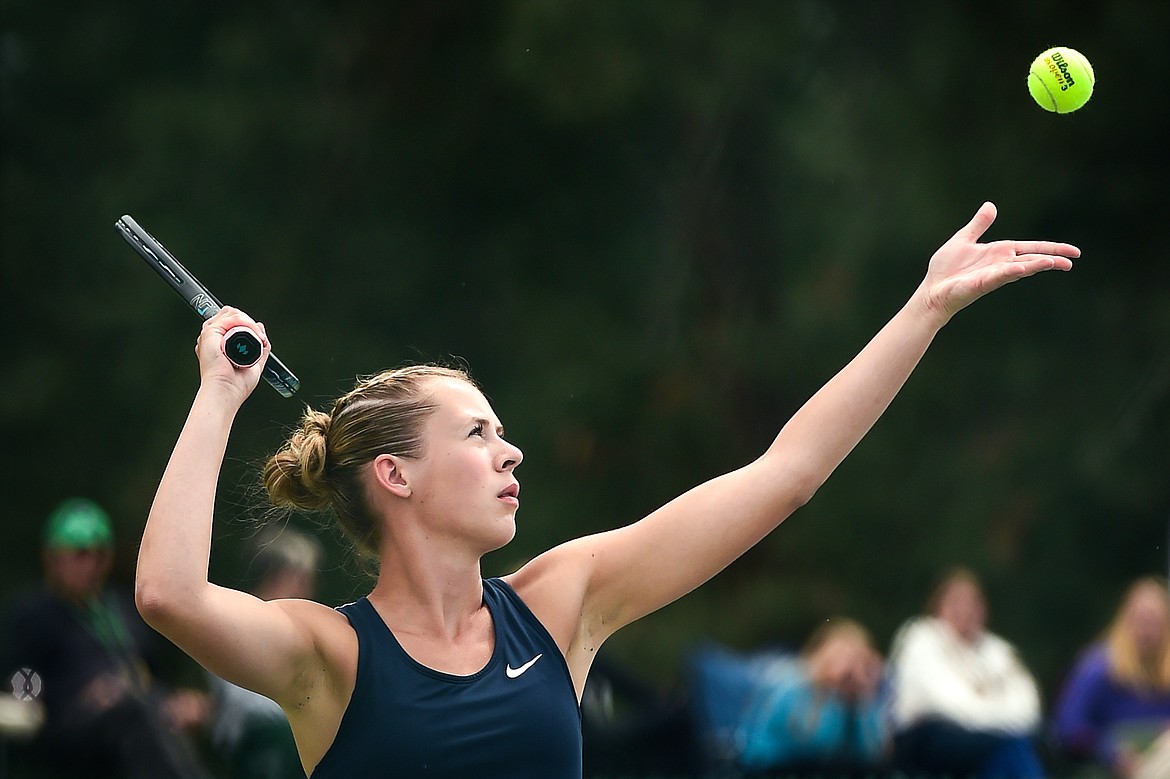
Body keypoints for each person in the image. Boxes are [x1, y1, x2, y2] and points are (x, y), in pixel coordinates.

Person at [133, 202, 1077, 778]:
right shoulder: (328, 654)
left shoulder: (560, 605)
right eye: (479, 433)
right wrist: (220, 394)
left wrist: (924, 309)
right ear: (396, 475)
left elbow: (785, 475)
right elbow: (170, 595)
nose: (513, 454)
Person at [1, 499, 211, 779]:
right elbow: (22, 687)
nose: (90, 564)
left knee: (199, 711)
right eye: (80, 554)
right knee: (131, 710)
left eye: (99, 555)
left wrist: (171, 700)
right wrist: (82, 695)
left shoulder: (123, 609)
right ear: (53, 558)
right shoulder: (35, 615)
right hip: (66, 726)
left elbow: (150, 673)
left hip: (133, 713)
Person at [887, 567, 1045, 779]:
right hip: (927, 738)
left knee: (1018, 747)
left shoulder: (999, 651)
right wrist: (998, 712)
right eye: (956, 602)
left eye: (974, 603)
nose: (966, 610)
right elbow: (950, 704)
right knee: (1009, 747)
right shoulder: (920, 640)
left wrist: (988, 714)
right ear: (938, 606)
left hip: (989, 738)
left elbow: (1028, 707)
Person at [206, 527, 324, 779]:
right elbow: (240, 700)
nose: (307, 588)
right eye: (300, 577)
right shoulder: (239, 620)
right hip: (252, 736)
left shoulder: (303, 629)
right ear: (276, 576)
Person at [735, 618, 889, 777]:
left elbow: (870, 757)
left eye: (858, 659)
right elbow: (810, 746)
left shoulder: (858, 698)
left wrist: (856, 706)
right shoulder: (790, 685)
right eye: (842, 656)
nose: (849, 668)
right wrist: (833, 696)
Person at [1053, 576, 1170, 779]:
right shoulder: (1099, 666)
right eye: (1142, 619)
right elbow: (1068, 726)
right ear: (1126, 620)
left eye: (1155, 621)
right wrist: (1108, 751)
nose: (1148, 629)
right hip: (1110, 765)